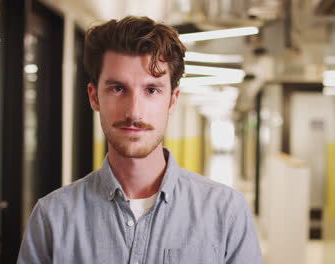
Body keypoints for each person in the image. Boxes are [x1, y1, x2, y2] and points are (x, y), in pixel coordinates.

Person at [17, 16, 262, 264]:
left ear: (172, 100)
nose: (134, 112)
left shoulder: (226, 212)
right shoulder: (53, 217)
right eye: (118, 88)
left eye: (152, 90)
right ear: (94, 97)